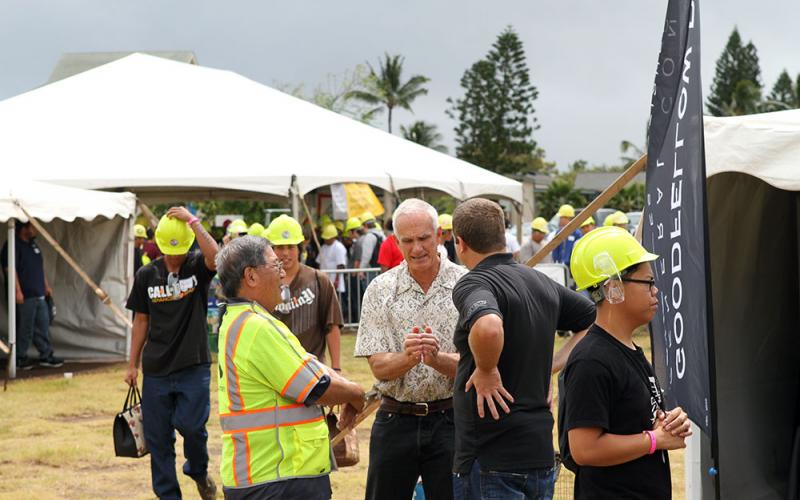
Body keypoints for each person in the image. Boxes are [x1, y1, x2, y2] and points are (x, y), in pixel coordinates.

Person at [450, 198, 596, 500]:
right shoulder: (540, 281)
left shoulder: (474, 283)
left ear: (459, 243)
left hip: (491, 457)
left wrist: (487, 370)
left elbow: (489, 325)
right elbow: (594, 319)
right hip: (538, 453)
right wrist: (553, 364)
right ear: (503, 236)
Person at [214, 235, 365, 500]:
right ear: (251, 276)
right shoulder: (257, 326)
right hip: (277, 476)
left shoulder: (240, 320)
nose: (283, 273)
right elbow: (316, 387)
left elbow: (309, 366)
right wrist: (355, 394)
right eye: (275, 265)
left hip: (265, 473)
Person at [562, 226, 692, 499]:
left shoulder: (629, 349)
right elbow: (584, 449)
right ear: (614, 288)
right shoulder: (591, 361)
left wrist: (666, 422)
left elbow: (635, 420)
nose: (656, 291)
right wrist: (655, 440)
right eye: (648, 282)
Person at [355, 198, 466, 500]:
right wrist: (407, 358)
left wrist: (436, 359)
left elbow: (478, 365)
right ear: (395, 241)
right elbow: (378, 366)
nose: (417, 248)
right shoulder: (380, 289)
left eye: (423, 238)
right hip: (395, 419)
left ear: (440, 234)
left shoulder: (466, 285)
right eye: (407, 241)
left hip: (451, 419)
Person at [124, 207, 220, 500]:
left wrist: (193, 222)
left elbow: (216, 257)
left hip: (193, 365)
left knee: (192, 428)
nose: (173, 257)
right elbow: (141, 320)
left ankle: (199, 471)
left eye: (177, 251)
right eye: (168, 251)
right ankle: (168, 495)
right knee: (159, 440)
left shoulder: (196, 266)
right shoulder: (146, 274)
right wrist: (132, 364)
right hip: (156, 370)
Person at [266, 215, 343, 370]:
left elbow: (332, 325)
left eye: (291, 247)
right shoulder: (263, 283)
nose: (286, 253)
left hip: (313, 369)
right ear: (271, 249)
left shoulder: (319, 280)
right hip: (275, 369)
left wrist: (336, 368)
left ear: (300, 248)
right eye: (280, 247)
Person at [1, 221, 63, 370]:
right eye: (33, 227)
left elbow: (39, 267)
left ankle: (46, 355)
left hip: (39, 293)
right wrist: (17, 290)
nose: (36, 230)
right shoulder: (12, 245)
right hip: (26, 295)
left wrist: (46, 286)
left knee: (42, 326)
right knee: (25, 328)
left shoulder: (33, 246)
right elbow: (10, 269)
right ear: (24, 228)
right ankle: (20, 357)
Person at [317, 224, 347, 295]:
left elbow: (340, 265)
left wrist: (336, 280)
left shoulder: (338, 247)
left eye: (327, 238)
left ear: (333, 237)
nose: (325, 240)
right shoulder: (323, 247)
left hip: (334, 282)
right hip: (324, 281)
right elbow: (318, 262)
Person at [357, 211, 385, 284]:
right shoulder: (381, 235)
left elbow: (366, 256)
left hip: (372, 271)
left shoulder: (369, 237)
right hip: (381, 269)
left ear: (365, 225)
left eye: (362, 226)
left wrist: (361, 270)